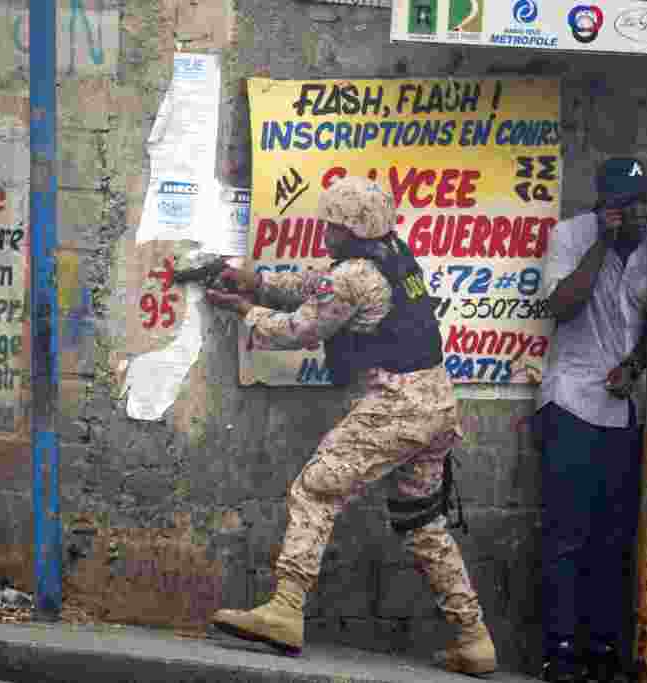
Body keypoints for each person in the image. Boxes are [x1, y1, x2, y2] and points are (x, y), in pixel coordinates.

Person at [203, 175, 497, 675]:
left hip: (397, 407)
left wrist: (245, 311)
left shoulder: (355, 275)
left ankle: (285, 609)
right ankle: (474, 639)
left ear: (350, 231)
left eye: (331, 225)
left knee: (316, 489)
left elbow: (300, 329)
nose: (324, 232)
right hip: (436, 407)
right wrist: (260, 282)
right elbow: (318, 285)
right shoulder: (392, 254)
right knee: (421, 523)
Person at [537, 157, 647, 682]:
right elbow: (562, 306)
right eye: (624, 208)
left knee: (612, 539)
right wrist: (602, 244)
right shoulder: (570, 236)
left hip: (624, 411)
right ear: (603, 207)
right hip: (570, 404)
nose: (635, 217)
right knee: (568, 535)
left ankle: (602, 651)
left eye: (642, 206)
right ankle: (559, 652)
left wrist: (635, 366)